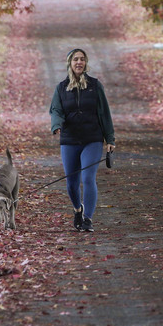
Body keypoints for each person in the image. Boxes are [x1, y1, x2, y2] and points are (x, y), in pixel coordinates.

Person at [49, 48, 116, 232]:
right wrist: (57, 125)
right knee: (71, 183)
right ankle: (78, 210)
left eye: (82, 59)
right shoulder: (61, 88)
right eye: (75, 59)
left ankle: (88, 219)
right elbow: (56, 110)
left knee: (87, 177)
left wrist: (110, 138)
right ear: (69, 63)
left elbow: (104, 113)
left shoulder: (95, 85)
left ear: (86, 63)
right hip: (69, 140)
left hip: (92, 139)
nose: (79, 62)